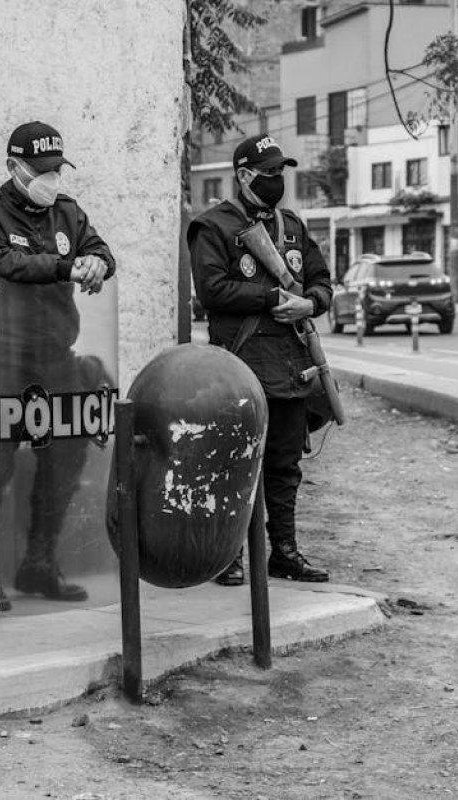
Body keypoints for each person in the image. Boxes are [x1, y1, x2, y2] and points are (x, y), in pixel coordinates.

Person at [0, 121, 116, 612]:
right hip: (6, 359)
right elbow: (0, 264)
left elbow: (100, 251)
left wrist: (97, 264)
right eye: (41, 171)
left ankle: (39, 563)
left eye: (56, 170)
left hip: (57, 360)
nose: (52, 179)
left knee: (62, 464)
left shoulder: (68, 213)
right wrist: (67, 266)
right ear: (14, 168)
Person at [187, 134, 332, 585]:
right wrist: (272, 296)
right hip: (240, 366)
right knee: (234, 463)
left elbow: (323, 282)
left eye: (280, 172)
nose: (277, 180)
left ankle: (284, 552)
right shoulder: (213, 227)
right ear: (245, 175)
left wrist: (309, 304)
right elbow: (212, 291)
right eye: (269, 173)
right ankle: (228, 554)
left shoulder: (292, 226)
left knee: (285, 466)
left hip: (290, 367)